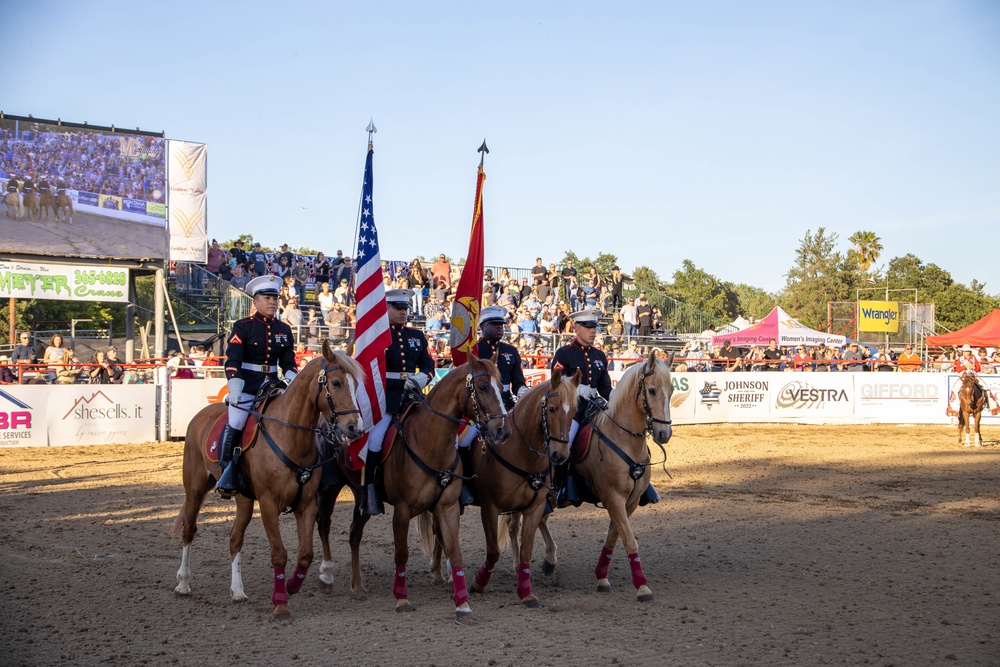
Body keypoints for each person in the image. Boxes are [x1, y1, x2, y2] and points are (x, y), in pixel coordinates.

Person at [217, 275, 299, 499]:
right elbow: (233, 360)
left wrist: (291, 376)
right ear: (255, 302)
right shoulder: (243, 327)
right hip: (247, 385)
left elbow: (289, 362)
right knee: (236, 420)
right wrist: (234, 387)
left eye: (275, 297)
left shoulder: (284, 329)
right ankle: (228, 470)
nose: (272, 302)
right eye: (267, 297)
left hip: (273, 385)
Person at [359, 289, 435, 515]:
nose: (403, 313)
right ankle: (369, 490)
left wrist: (423, 377)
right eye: (398, 308)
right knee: (374, 440)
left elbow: (428, 365)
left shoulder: (417, 336)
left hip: (413, 395)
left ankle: (447, 484)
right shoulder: (377, 336)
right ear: (386, 309)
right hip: (386, 398)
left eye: (406, 308)